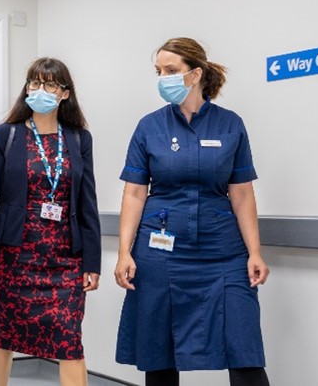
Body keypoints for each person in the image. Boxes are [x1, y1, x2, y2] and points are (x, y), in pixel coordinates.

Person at [114, 37, 271, 386]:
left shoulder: (230, 124)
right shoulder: (149, 127)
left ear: (196, 74)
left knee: (244, 347)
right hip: (161, 253)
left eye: (171, 70)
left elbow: (242, 193)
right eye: (158, 71)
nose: (163, 77)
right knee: (159, 352)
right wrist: (124, 252)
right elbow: (135, 192)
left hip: (223, 252)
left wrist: (255, 252)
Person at [0, 57, 101, 386]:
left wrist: (92, 262)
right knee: (5, 332)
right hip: (16, 256)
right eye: (34, 83)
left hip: (66, 259)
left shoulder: (79, 139)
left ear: (65, 94)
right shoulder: (6, 135)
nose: (40, 90)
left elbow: (88, 203)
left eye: (50, 84)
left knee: (70, 339)